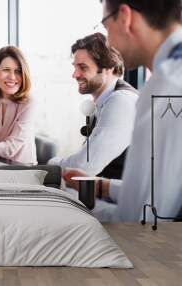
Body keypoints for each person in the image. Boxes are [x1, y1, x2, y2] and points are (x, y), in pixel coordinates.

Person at [63, 0, 182, 222]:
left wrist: (73, 207)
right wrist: (103, 187)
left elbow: (140, 221)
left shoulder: (167, 85)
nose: (109, 42)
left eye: (106, 26)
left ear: (125, 17)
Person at [49, 33, 138, 179]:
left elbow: (85, 166)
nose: (75, 74)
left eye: (83, 67)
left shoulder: (121, 102)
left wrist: (52, 163)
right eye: (75, 67)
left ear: (108, 68)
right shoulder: (104, 101)